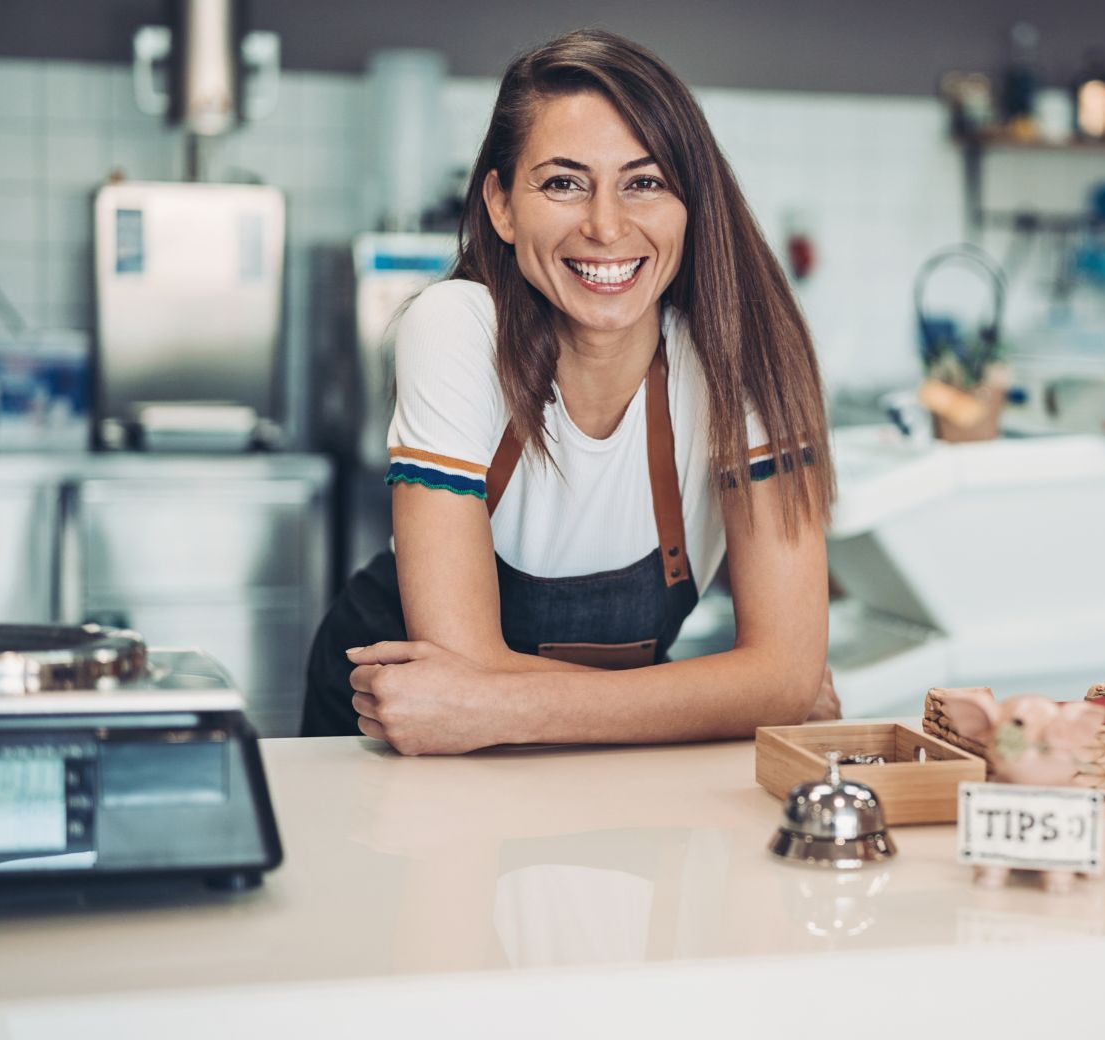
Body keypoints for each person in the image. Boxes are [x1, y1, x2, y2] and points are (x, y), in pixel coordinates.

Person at [300, 29, 839, 753]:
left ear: (691, 204)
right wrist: (727, 697)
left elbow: (786, 678)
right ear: (501, 206)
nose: (606, 226)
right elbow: (460, 666)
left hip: (577, 752)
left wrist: (489, 705)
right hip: (385, 736)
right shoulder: (454, 326)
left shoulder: (745, 355)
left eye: (644, 182)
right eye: (563, 182)